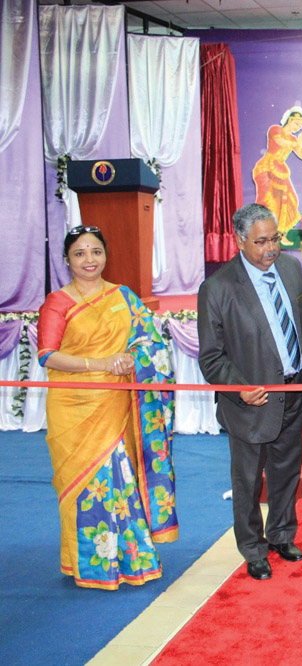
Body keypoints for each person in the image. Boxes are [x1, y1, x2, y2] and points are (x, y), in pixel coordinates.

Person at [37, 225, 177, 590]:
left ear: (105, 255)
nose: (89, 260)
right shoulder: (58, 302)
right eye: (80, 253)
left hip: (117, 403)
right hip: (73, 407)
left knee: (120, 478)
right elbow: (47, 355)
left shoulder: (124, 297)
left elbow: (150, 342)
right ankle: (89, 565)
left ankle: (132, 558)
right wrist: (99, 364)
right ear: (66, 259)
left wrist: (132, 358)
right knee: (85, 486)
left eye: (95, 251)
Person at [198, 203, 302, 581]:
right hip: (251, 404)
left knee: (286, 472)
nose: (272, 248)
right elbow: (211, 356)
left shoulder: (291, 268)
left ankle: (281, 534)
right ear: (239, 241)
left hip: (294, 391)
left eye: (276, 238)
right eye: (261, 241)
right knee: (248, 481)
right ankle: (252, 548)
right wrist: (239, 389)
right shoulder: (217, 288)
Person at [252, 106, 302, 239]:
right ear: (289, 120)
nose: (298, 127)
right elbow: (280, 142)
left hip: (280, 170)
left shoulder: (294, 139)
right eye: (296, 123)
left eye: (300, 125)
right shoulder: (275, 129)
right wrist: (296, 144)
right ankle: (259, 234)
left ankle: (280, 235)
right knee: (267, 201)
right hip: (266, 168)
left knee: (289, 200)